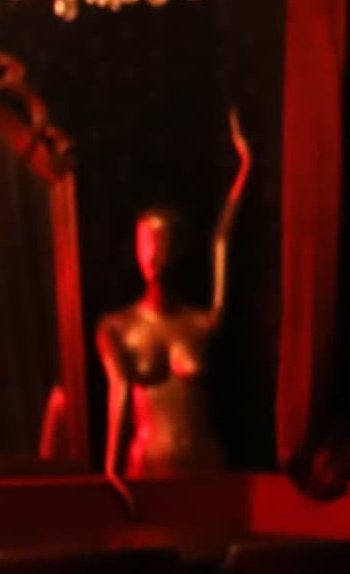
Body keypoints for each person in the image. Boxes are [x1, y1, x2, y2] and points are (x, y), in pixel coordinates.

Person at [98, 110, 250, 491]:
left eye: (161, 242)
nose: (152, 253)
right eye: (144, 242)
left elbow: (222, 242)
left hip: (205, 466)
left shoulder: (201, 322)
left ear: (178, 249)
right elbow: (119, 393)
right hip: (144, 470)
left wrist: (245, 169)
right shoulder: (117, 328)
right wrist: (110, 473)